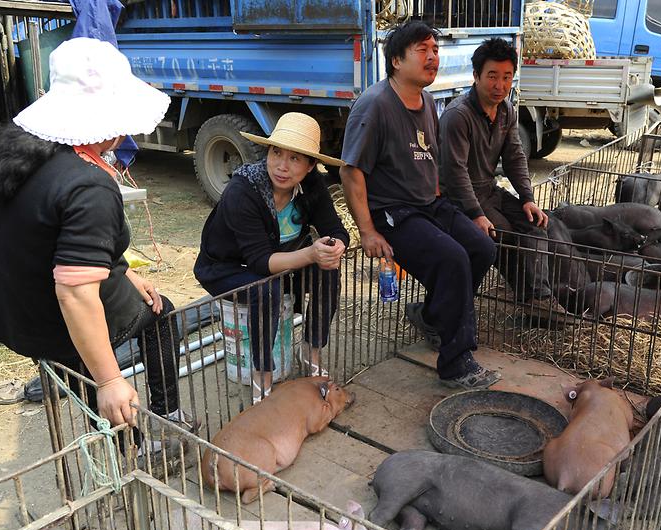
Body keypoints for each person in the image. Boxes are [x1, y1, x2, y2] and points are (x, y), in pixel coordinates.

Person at [0, 37, 194, 441]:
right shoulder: (89, 185)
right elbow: (75, 294)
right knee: (162, 315)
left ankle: (106, 419)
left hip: (14, 314)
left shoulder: (23, 153)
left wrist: (124, 274)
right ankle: (155, 426)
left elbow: (52, 242)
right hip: (54, 320)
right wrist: (111, 379)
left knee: (94, 351)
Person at [340, 21, 499, 390]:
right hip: (394, 212)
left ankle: (429, 316)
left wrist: (452, 203)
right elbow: (350, 172)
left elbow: (430, 156)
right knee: (452, 259)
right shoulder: (375, 105)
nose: (433, 57)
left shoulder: (426, 99)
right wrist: (367, 231)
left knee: (481, 248)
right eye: (422, 50)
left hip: (429, 204)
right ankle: (456, 362)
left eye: (435, 50)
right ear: (396, 60)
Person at [193, 113, 349, 402]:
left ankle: (311, 352)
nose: (282, 166)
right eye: (276, 152)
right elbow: (260, 262)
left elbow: (336, 229)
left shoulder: (312, 187)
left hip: (282, 263)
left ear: (310, 164)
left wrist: (336, 246)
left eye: (295, 158)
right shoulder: (243, 191)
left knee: (328, 269)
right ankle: (262, 378)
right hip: (226, 267)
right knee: (266, 288)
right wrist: (311, 253)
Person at [439, 37, 555, 317]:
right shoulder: (458, 115)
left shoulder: (506, 111)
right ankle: (527, 300)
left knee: (535, 225)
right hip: (459, 198)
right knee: (504, 233)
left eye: (507, 77)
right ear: (476, 75)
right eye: (492, 76)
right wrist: (476, 213)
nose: (500, 86)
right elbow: (455, 173)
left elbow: (515, 156)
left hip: (490, 191)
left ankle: (541, 297)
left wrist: (527, 198)